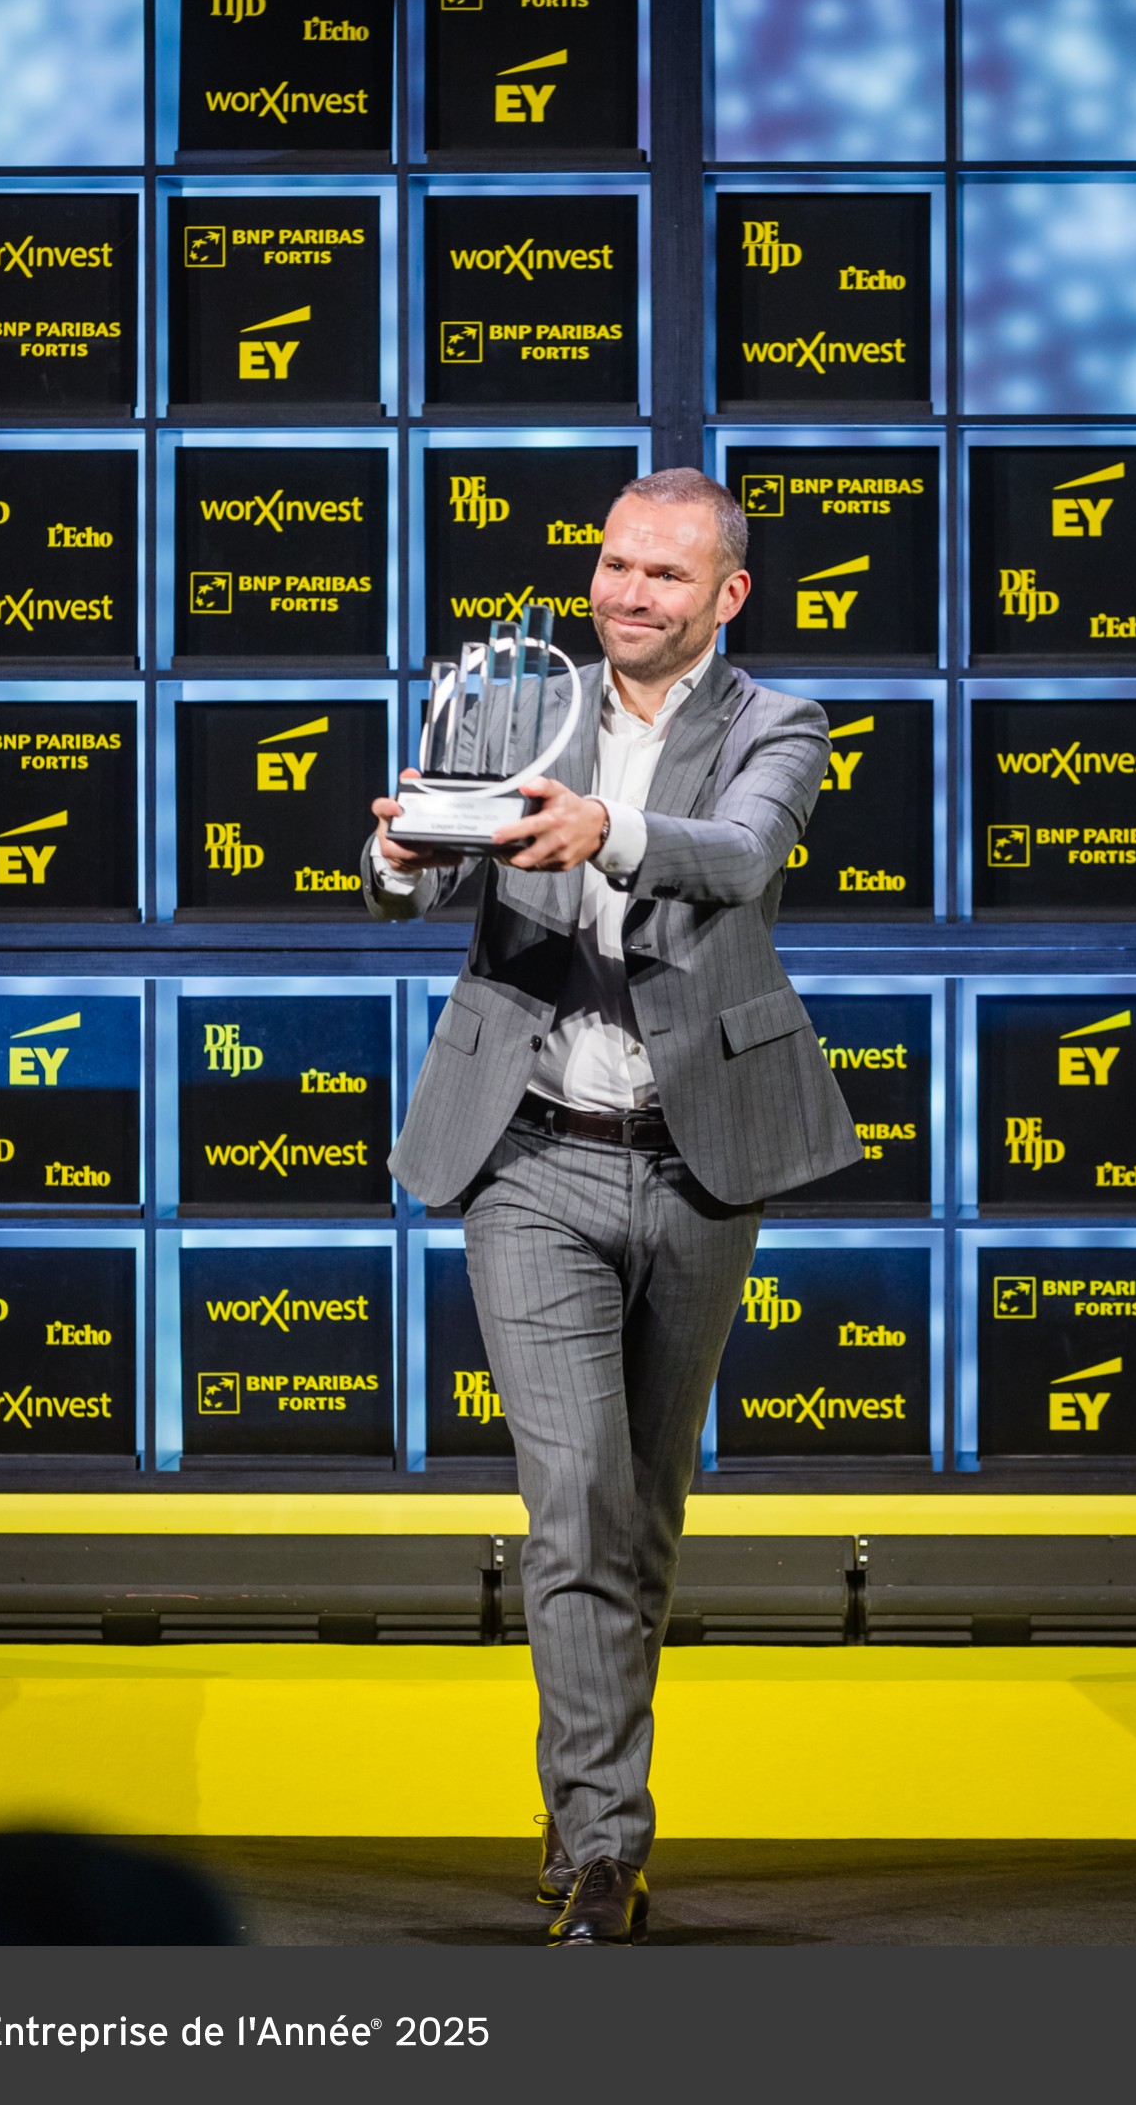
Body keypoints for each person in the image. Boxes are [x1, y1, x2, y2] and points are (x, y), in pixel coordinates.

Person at [365, 466, 859, 1945]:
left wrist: (607, 831)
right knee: (573, 1498)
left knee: (640, 1515)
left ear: (727, 594)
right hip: (528, 1154)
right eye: (612, 563)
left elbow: (743, 856)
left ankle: (591, 1807)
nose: (626, 593)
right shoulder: (520, 701)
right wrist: (396, 851)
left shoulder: (777, 722)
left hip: (702, 1158)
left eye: (663, 573)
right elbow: (419, 873)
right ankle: (601, 1841)